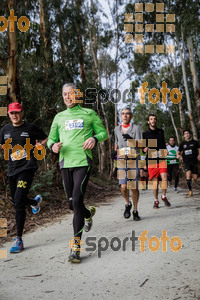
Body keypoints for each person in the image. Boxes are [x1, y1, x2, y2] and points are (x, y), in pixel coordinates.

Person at [47, 83, 108, 263]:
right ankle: (88, 214)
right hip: (65, 163)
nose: (67, 97)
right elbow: (51, 138)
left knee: (77, 200)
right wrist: (53, 145)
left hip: (83, 162)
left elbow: (103, 133)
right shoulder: (59, 117)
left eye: (71, 94)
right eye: (64, 94)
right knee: (72, 205)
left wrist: (94, 138)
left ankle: (76, 248)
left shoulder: (89, 114)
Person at [0, 102, 47, 253]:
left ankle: (18, 239)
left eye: (17, 112)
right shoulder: (5, 130)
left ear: (22, 113)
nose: (15, 115)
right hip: (12, 169)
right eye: (12, 113)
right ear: (8, 114)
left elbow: (45, 138)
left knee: (19, 201)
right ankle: (34, 202)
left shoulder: (31, 128)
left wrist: (39, 146)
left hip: (27, 167)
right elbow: (1, 145)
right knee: (16, 200)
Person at [114, 107, 142, 221]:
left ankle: (135, 210)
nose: (125, 115)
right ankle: (127, 203)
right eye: (123, 114)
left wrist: (131, 139)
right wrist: (114, 154)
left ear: (131, 116)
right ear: (120, 116)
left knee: (133, 187)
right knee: (123, 186)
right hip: (121, 161)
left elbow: (140, 145)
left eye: (127, 114)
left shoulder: (136, 128)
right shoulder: (117, 129)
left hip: (133, 160)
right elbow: (116, 144)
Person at [143, 114, 171, 209]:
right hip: (152, 160)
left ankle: (163, 196)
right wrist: (144, 149)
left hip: (162, 158)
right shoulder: (145, 134)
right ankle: (156, 200)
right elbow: (142, 148)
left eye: (155, 119)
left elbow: (163, 144)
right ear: (148, 122)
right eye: (151, 119)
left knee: (164, 179)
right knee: (155, 183)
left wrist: (166, 149)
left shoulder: (161, 131)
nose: (153, 120)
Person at [177, 129, 200, 196]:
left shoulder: (195, 142)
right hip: (186, 161)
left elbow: (199, 149)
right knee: (188, 174)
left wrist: (199, 155)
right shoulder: (182, 144)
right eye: (185, 134)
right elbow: (178, 151)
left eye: (187, 133)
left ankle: (193, 181)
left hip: (194, 161)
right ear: (184, 136)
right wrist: (178, 155)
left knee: (195, 177)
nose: (186, 135)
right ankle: (190, 190)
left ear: (190, 134)